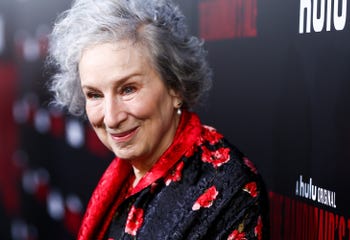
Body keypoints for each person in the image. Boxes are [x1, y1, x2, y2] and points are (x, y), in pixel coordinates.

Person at [46, 0, 269, 239]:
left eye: (128, 89)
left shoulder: (229, 186)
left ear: (175, 86)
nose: (111, 118)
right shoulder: (123, 176)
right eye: (94, 95)